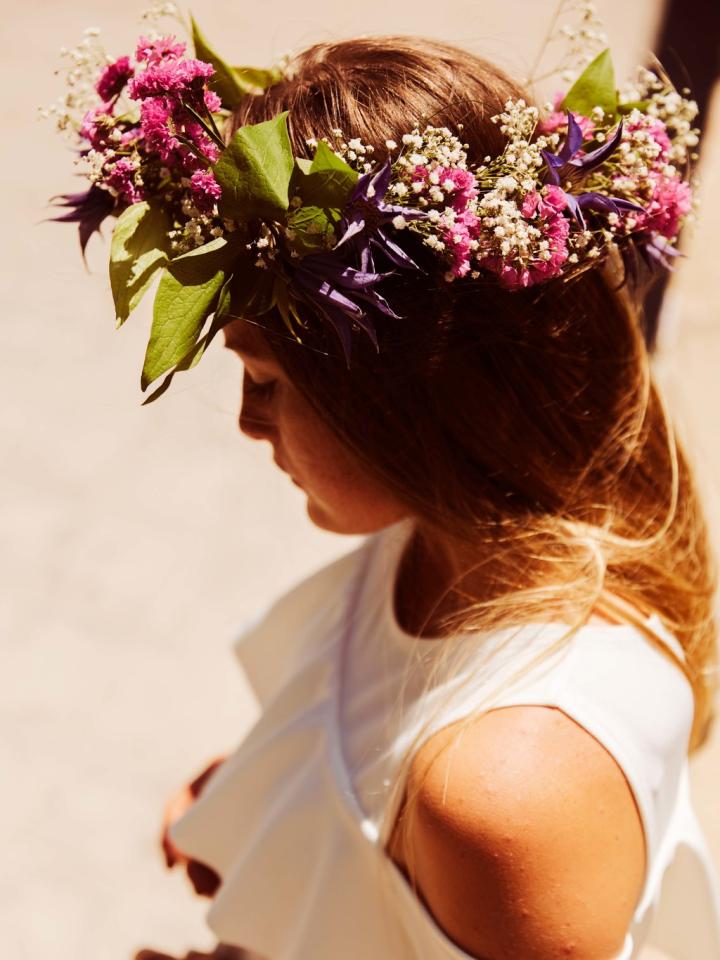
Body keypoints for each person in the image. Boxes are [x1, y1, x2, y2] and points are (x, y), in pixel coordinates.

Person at [44, 18, 719, 960]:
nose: (245, 421)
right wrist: (282, 817)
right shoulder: (463, 535)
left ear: (409, 395)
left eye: (268, 379)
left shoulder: (504, 789)